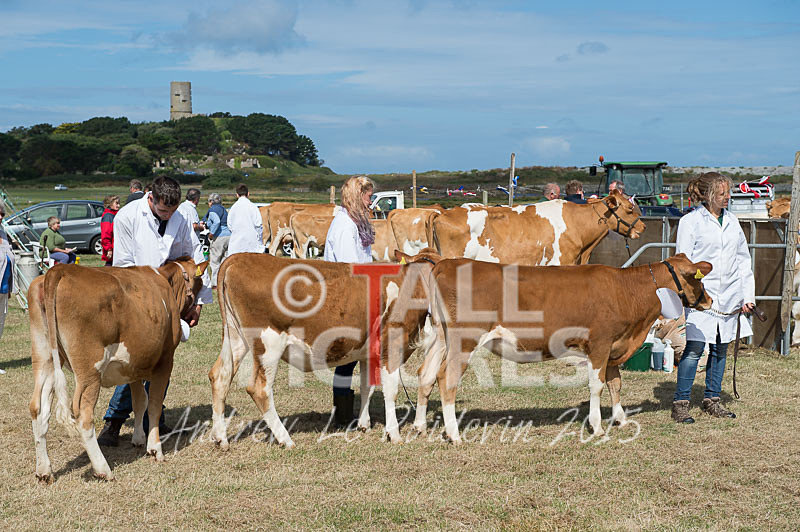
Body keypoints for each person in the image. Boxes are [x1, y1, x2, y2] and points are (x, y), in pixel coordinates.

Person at [97, 176, 211, 446]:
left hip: (169, 296)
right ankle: (113, 422)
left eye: (172, 210)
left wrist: (198, 303)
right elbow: (123, 264)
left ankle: (153, 421)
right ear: (150, 197)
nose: (168, 215)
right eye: (162, 210)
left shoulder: (179, 217)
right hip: (135, 295)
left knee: (164, 357)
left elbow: (193, 256)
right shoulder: (127, 217)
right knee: (135, 361)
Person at [671, 172, 755, 424]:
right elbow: (683, 262)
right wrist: (693, 289)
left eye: (728, 192)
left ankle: (712, 399)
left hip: (729, 295)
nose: (728, 197)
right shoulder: (691, 222)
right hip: (701, 295)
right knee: (694, 349)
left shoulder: (732, 220)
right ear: (708, 195)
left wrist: (747, 296)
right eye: (722, 193)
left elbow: (743, 260)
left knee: (720, 348)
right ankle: (681, 404)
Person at [324, 175, 375, 427]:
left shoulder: (353, 223)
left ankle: (347, 411)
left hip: (356, 293)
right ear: (357, 196)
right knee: (347, 358)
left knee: (353, 357)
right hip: (346, 296)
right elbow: (349, 268)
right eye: (367, 197)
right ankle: (343, 414)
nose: (370, 202)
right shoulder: (345, 226)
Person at [226, 183, 264, 255]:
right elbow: (259, 226)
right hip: (252, 244)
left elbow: (230, 226)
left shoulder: (233, 208)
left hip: (236, 245)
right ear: (248, 194)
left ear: (237, 195)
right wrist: (259, 240)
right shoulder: (253, 207)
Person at [0, 200, 15, 375]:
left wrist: (9, 287)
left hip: (4, 289)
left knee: (0, 325)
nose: (0, 216)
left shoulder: (3, 233)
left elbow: (8, 260)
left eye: (2, 214)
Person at [205, 193, 231, 287]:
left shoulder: (213, 209)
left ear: (211, 201)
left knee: (215, 261)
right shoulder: (223, 209)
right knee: (224, 260)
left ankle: (215, 283)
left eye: (209, 202)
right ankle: (224, 282)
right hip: (228, 236)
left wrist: (211, 233)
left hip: (219, 237)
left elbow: (216, 222)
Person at [177, 187, 204, 251]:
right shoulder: (191, 209)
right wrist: (201, 227)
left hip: (182, 240)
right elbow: (194, 226)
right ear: (196, 198)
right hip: (192, 242)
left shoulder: (181, 206)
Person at [100, 194, 120, 266]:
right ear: (110, 204)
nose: (118, 205)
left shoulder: (115, 214)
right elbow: (106, 234)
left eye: (119, 203)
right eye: (116, 203)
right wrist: (109, 249)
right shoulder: (108, 216)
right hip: (112, 249)